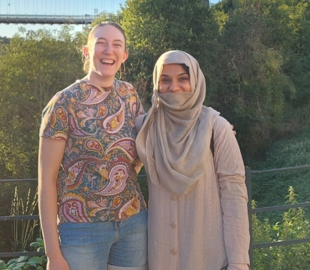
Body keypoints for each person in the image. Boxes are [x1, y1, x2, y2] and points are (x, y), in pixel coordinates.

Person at [38, 22, 148, 270]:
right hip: (81, 231)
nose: (109, 50)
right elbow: (46, 182)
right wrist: (52, 255)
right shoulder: (64, 102)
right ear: (87, 51)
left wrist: (213, 127)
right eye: (101, 43)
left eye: (116, 45)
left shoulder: (129, 95)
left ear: (124, 56)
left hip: (133, 224)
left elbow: (150, 142)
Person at [136, 50, 250, 270]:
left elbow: (234, 196)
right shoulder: (144, 127)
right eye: (165, 80)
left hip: (208, 258)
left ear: (195, 81)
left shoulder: (217, 128)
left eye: (183, 79)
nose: (174, 87)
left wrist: (238, 262)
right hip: (161, 259)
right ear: (156, 84)